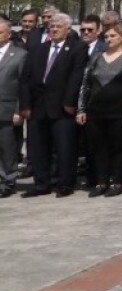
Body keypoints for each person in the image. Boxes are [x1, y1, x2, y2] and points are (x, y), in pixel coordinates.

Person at [20, 12, 85, 197]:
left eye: (58, 27)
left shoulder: (76, 48)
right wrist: (25, 105)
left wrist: (69, 102)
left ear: (68, 29)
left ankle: (64, 184)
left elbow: (76, 76)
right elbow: (25, 78)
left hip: (62, 107)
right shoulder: (39, 49)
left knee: (64, 148)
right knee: (38, 148)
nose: (54, 30)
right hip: (38, 107)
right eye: (52, 27)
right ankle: (42, 183)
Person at [76, 25, 122, 197]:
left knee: (119, 147)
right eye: (106, 36)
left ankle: (118, 181)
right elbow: (86, 85)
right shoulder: (97, 58)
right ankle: (101, 182)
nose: (109, 39)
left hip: (120, 111)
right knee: (98, 148)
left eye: (113, 36)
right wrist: (81, 109)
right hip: (96, 110)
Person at [0, 20, 27, 198]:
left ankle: (7, 181)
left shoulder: (19, 55)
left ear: (9, 34)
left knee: (7, 148)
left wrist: (19, 110)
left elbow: (23, 85)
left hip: (7, 108)